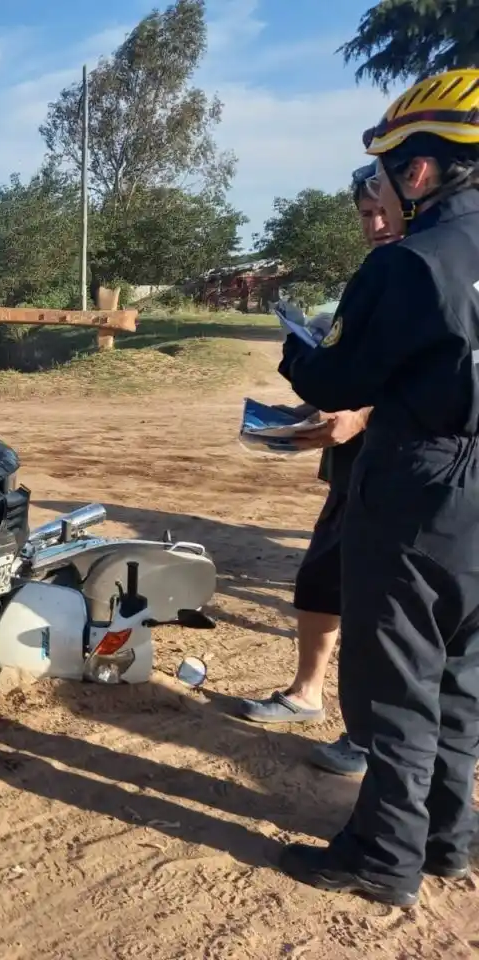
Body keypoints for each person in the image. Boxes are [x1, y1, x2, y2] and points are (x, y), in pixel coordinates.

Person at [273, 67, 479, 908]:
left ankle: (384, 854)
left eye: (388, 172)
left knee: (396, 675)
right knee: (462, 673)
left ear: (418, 170)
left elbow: (338, 379)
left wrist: (298, 349)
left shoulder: (408, 265)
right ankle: (447, 839)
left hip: (419, 483)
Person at [236, 165, 400, 782]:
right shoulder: (377, 279)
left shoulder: (435, 281)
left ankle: (377, 737)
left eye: (383, 209)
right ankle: (307, 694)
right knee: (321, 580)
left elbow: (442, 386)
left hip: (406, 475)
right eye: (365, 214)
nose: (376, 224)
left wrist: (363, 417)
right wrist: (313, 404)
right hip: (353, 471)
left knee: (385, 606)